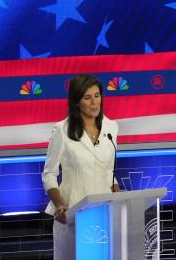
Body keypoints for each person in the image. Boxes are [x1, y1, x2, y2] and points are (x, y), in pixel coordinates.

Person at [42, 73, 120, 259]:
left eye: (97, 96)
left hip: (103, 213)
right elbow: (49, 174)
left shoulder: (111, 128)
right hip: (73, 215)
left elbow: (108, 172)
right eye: (87, 97)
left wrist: (122, 201)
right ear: (77, 102)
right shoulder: (62, 130)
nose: (94, 103)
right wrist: (60, 206)